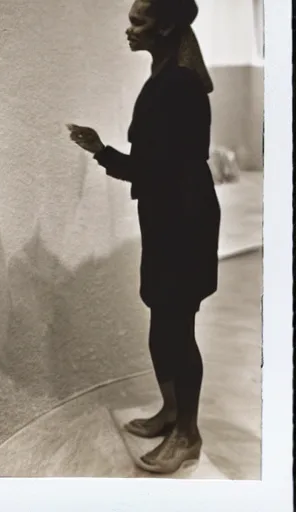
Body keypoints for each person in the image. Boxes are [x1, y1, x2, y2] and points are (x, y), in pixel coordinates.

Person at [68, 0, 221, 474]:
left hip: (185, 221)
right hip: (169, 216)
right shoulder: (165, 76)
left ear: (167, 25)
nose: (129, 28)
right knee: (162, 326)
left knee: (176, 329)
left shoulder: (178, 84)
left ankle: (188, 436)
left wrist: (104, 153)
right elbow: (157, 166)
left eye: (139, 20)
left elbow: (162, 169)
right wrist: (104, 151)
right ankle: (171, 413)